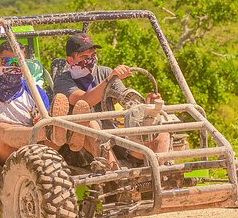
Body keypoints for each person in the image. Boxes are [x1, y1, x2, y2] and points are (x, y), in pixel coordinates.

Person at [53, 33, 170, 168]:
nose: (90, 60)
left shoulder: (104, 72)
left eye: (93, 55)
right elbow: (84, 101)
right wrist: (109, 79)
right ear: (70, 60)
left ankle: (159, 173)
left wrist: (147, 105)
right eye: (84, 57)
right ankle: (116, 174)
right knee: (90, 123)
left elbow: (127, 99)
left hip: (113, 134)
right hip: (81, 144)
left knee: (160, 127)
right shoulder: (63, 81)